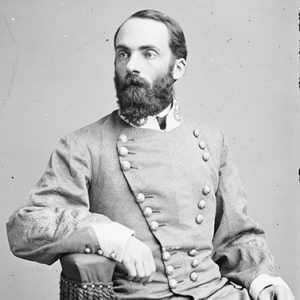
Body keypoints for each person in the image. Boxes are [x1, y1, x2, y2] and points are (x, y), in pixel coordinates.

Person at [7, 9, 295, 300]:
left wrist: (263, 281)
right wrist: (111, 237)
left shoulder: (211, 140)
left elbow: (236, 235)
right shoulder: (82, 145)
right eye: (123, 53)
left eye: (148, 54)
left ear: (178, 67)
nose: (132, 65)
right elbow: (26, 227)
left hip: (217, 293)